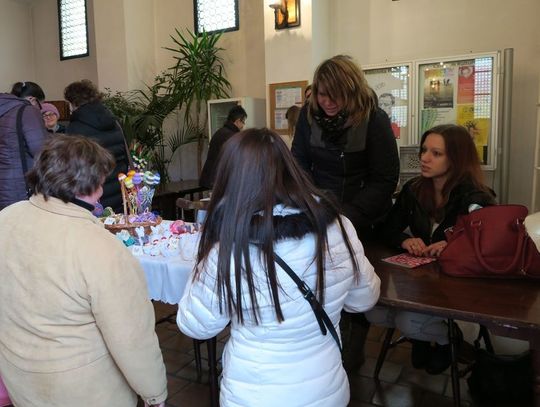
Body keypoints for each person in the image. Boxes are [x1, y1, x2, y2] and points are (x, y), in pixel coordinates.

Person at [177, 128, 380, 407]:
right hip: (326, 391)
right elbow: (365, 299)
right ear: (289, 167)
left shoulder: (229, 246)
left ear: (230, 179)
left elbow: (196, 324)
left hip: (254, 396)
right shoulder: (338, 226)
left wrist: (203, 257)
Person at [0, 135, 167, 406]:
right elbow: (131, 338)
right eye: (100, 181)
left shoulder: (6, 218)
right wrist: (154, 392)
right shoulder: (100, 246)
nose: (101, 191)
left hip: (21, 381)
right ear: (86, 183)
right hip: (84, 391)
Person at [291, 55, 399, 373]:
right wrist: (311, 205)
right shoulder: (309, 117)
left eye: (335, 95)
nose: (327, 102)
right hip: (320, 216)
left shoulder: (374, 119)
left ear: (351, 91)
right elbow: (299, 166)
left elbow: (384, 178)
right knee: (319, 285)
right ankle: (324, 353)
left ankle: (350, 356)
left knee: (355, 288)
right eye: (322, 94)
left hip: (363, 219)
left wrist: (348, 217)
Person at [367, 124, 496, 374]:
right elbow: (387, 229)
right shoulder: (414, 189)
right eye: (424, 150)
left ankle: (450, 340)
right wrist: (404, 240)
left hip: (456, 287)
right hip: (421, 282)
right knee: (373, 312)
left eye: (436, 153)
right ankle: (423, 336)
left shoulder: (477, 196)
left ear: (457, 159)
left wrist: (454, 245)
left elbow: (489, 245)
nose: (424, 158)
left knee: (407, 321)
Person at [64, 79, 130, 213]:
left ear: (73, 102)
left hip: (94, 191)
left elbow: (73, 165)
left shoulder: (75, 127)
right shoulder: (113, 121)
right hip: (119, 187)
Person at [0, 81, 48, 210]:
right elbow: (40, 149)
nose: (40, 109)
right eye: (40, 105)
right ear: (32, 99)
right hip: (17, 185)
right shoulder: (27, 110)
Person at [199, 104, 247, 189]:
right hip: (218, 180)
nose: (243, 125)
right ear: (238, 121)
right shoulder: (231, 136)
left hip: (211, 177)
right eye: (243, 122)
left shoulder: (221, 132)